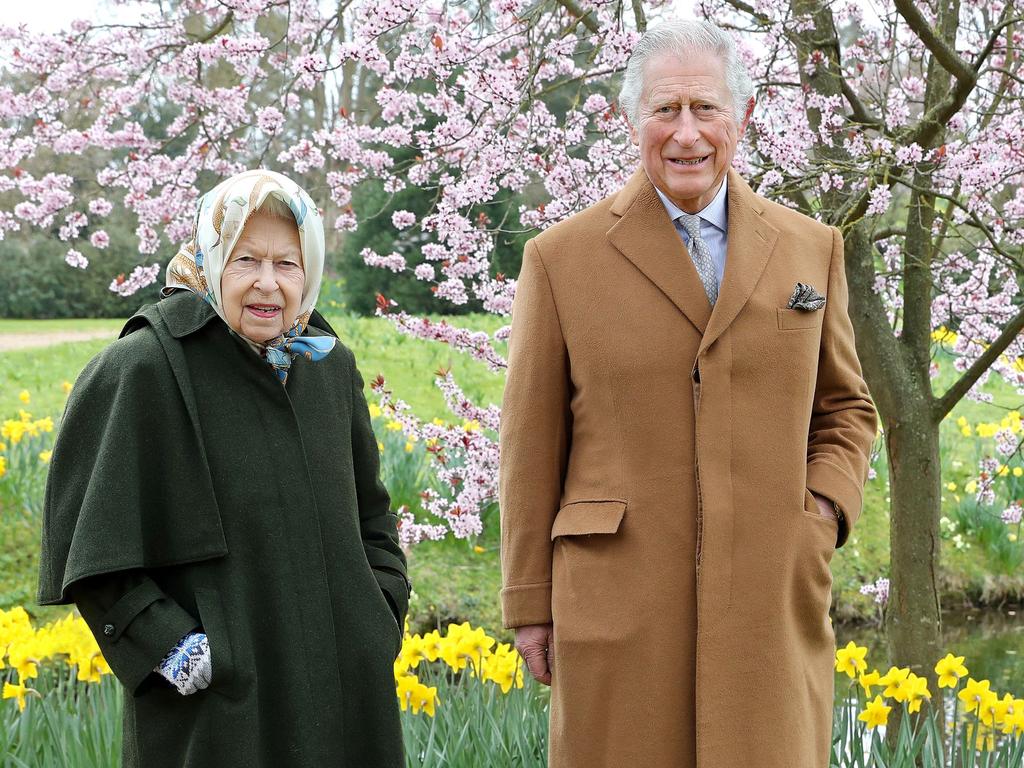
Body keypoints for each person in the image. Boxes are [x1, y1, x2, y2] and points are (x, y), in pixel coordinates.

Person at [499, 20, 877, 768]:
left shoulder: (812, 249)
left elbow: (846, 409)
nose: (685, 134)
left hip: (771, 597)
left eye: (705, 109)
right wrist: (529, 603)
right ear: (630, 121)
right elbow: (529, 442)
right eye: (664, 111)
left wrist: (822, 513)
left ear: (741, 118)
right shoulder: (559, 261)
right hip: (619, 603)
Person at [38, 169, 409, 767]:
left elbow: (373, 511)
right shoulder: (144, 367)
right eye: (246, 260)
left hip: (347, 691)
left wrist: (380, 611)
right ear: (211, 258)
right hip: (219, 712)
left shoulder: (327, 365)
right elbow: (90, 546)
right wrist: (176, 650)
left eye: (287, 263)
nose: (269, 283)